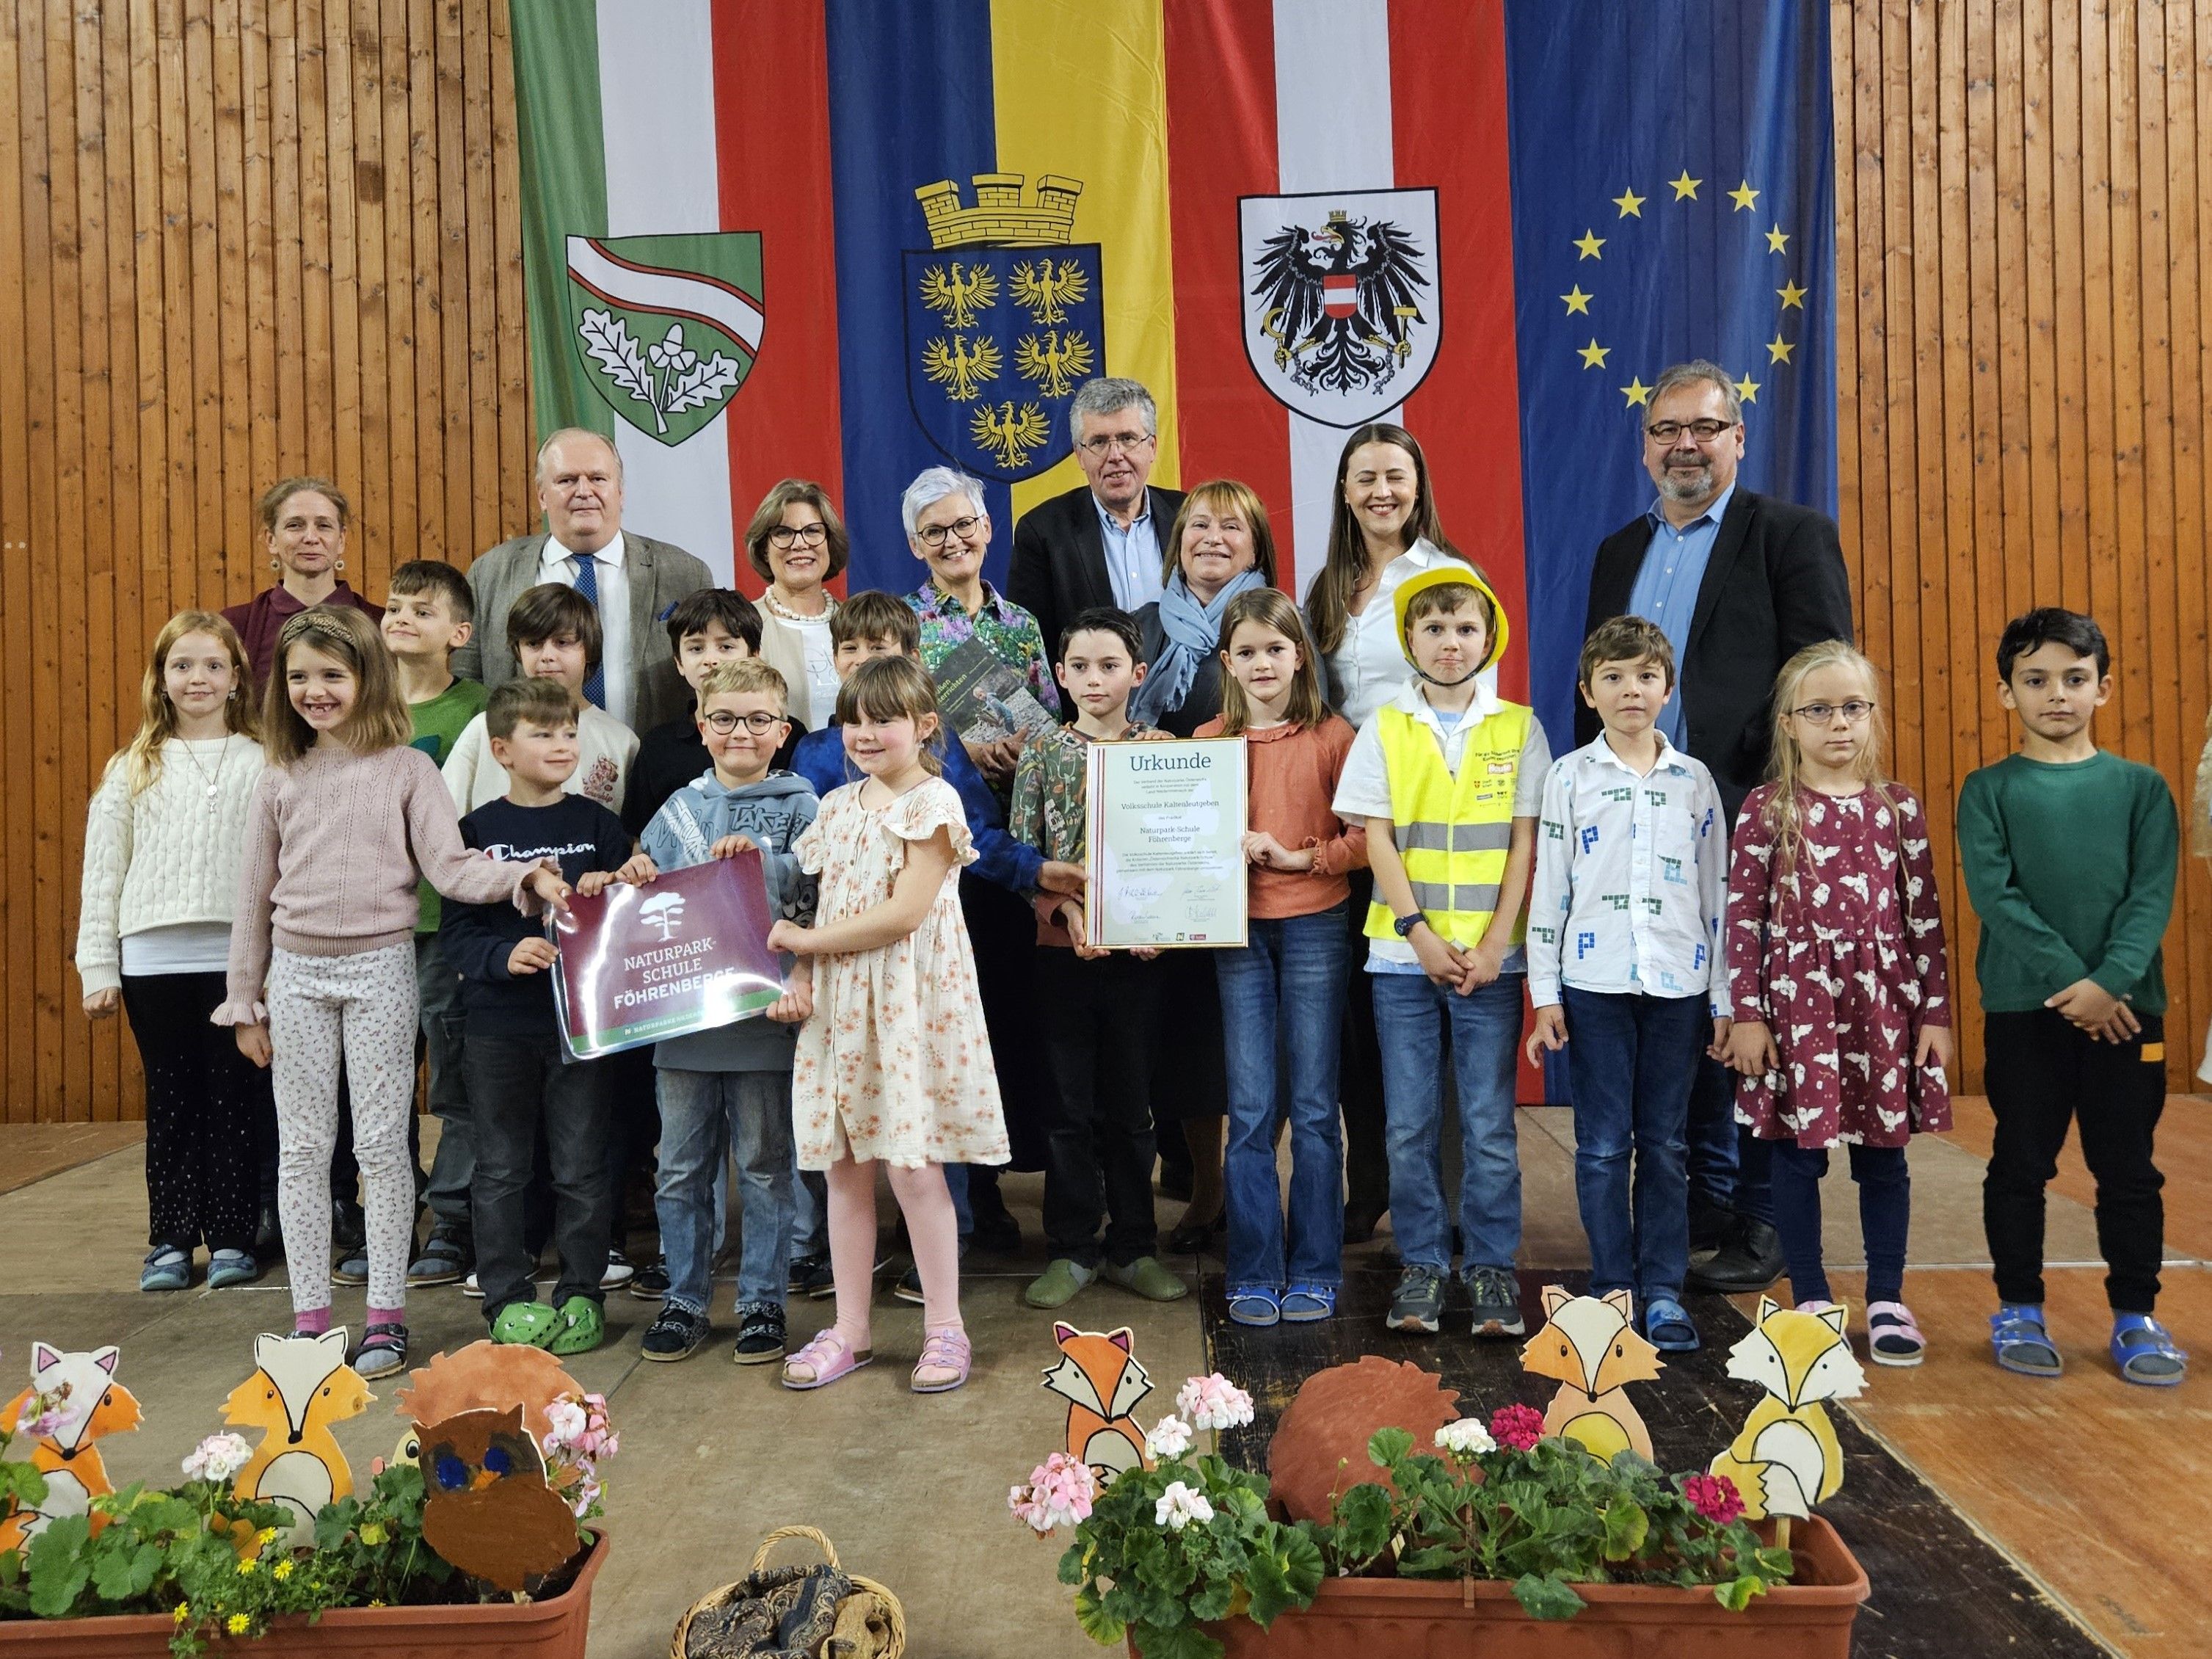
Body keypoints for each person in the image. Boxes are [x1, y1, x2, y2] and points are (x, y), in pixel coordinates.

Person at [217, 606, 569, 1381]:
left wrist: (522, 875)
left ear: (367, 677)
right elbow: (253, 896)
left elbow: (451, 868)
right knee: (303, 1149)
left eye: (332, 675)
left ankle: (384, 1315)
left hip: (379, 969)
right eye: (300, 676)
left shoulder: (409, 769)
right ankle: (309, 1321)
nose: (315, 690)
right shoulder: (278, 773)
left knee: (380, 1143)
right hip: (297, 978)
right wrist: (245, 1000)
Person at [1581, 360, 1857, 1295]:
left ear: (1736, 438)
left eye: (1704, 427)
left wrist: (1777, 782)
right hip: (1644, 828)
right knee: (1685, 1013)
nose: (1684, 445)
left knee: (1762, 1015)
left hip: (1752, 816)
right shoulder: (1620, 549)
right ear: (1645, 442)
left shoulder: (1788, 535)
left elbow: (1821, 674)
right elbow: (1599, 681)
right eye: (1665, 430)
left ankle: (1762, 1216)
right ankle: (1702, 1197)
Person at [790, 592, 1081, 1290]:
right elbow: (798, 860)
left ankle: (950, 1254)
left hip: (912, 968)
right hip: (839, 977)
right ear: (835, 665)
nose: (867, 664)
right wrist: (792, 953)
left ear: (916, 667)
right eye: (852, 652)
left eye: (884, 650)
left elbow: (976, 839)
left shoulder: (941, 773)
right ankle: (838, 1281)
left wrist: (1036, 871)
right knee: (848, 1142)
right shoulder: (819, 761)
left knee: (922, 1125)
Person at [1960, 608, 2186, 1386]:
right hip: (2026, 1010)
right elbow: (1995, 895)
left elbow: (2150, 897)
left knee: (2126, 1167)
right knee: (2020, 1160)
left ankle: (2134, 1314)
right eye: (2035, 679)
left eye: (2072, 678)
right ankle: (2018, 1306)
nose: (2054, 693)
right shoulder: (1987, 790)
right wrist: (2073, 984)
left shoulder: (2141, 789)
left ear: (2102, 688)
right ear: (2004, 693)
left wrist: (2108, 983)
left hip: (2126, 1010)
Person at [773, 656, 1006, 1395]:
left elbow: (905, 912)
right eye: (854, 719)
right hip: (842, 1008)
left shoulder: (932, 803)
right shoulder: (836, 805)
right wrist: (801, 973)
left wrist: (805, 944)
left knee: (912, 1165)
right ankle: (851, 1329)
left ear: (925, 724)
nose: (867, 733)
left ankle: (945, 1326)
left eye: (885, 718)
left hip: (906, 1006)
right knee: (845, 1168)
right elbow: (816, 904)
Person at [1722, 641, 1953, 1366]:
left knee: (1883, 1157)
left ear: (1871, 716)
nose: (1838, 724)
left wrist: (1935, 1015)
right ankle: (1812, 1295)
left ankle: (1886, 1295)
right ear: (1788, 724)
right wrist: (1747, 1013)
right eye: (1818, 709)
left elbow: (1924, 919)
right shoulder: (1767, 808)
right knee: (1797, 1155)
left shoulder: (1897, 808)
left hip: (1881, 1007)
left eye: (1852, 707)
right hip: (1798, 1009)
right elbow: (1742, 917)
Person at [1333, 565, 1549, 1338]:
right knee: (1407, 1123)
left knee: (1488, 1122)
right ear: (1409, 641)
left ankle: (1490, 1267)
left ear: (1486, 638)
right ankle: (1422, 1261)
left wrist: (1496, 943)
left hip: (1491, 966)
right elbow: (1376, 839)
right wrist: (1418, 932)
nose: (1450, 642)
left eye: (1464, 628)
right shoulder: (1383, 727)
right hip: (1403, 961)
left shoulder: (1519, 727)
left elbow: (1525, 842)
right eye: (1433, 629)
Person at [1524, 617, 1731, 1354]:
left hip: (1677, 986)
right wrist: (1544, 993)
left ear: (1666, 689)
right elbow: (1548, 888)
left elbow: (1717, 893)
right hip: (1594, 982)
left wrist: (1722, 999)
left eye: (1644, 676)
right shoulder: (1568, 777)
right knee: (1603, 1144)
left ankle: (1664, 1290)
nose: (1629, 689)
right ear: (1587, 691)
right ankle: (1611, 1285)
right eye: (1611, 677)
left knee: (1666, 1143)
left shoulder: (1693, 782)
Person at [1303, 424, 1480, 1245]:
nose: (1380, 490)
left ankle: (1441, 1200)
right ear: (1342, 490)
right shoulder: (1328, 589)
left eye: (1394, 477)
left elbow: (1474, 709)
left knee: (1431, 1012)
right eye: (1363, 476)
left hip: (1428, 825)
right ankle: (1369, 1182)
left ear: (1418, 487)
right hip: (1347, 827)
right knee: (1361, 1020)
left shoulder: (1445, 576)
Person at [631, 658, 819, 1366]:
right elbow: (642, 898)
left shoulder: (807, 805)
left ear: (783, 730)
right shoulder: (676, 807)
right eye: (726, 719)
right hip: (682, 1023)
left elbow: (819, 894)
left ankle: (763, 1302)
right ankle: (684, 1297)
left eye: (759, 719)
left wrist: (760, 861)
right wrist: (635, 875)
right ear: (702, 728)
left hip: (765, 1018)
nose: (742, 731)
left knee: (768, 1165)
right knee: (680, 1167)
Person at [76, 611, 271, 1293]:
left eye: (213, 666)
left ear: (236, 678)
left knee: (236, 1099)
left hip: (234, 959)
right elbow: (103, 871)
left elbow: (274, 868)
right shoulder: (133, 766)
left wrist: (268, 963)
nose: (198, 678)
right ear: (160, 679)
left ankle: (231, 1240)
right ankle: (169, 1238)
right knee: (173, 1099)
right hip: (153, 961)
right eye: (182, 665)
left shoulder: (260, 760)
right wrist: (98, 967)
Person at [439, 678, 633, 1355]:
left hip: (582, 1024)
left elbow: (634, 912)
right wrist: (502, 953)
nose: (562, 745)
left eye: (570, 734)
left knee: (581, 1165)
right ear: (501, 749)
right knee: (499, 1169)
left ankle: (583, 1291)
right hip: (497, 1027)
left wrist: (617, 881)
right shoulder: (475, 832)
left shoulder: (597, 826)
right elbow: (456, 934)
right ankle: (506, 1297)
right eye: (543, 734)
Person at [1007, 609, 1186, 1311]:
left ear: (1137, 674)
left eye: (1109, 666)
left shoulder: (1163, 749)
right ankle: (1072, 1248)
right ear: (1059, 675)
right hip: (1064, 956)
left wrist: (1165, 922)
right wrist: (1065, 911)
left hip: (1142, 959)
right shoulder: (1045, 752)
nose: (1094, 678)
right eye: (1079, 666)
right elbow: (1023, 859)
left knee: (1133, 1108)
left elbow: (1184, 854)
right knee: (1067, 1108)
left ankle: (1135, 1246)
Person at [1196, 589, 1364, 1326]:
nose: (1261, 662)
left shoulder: (1332, 736)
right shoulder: (1206, 740)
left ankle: (1317, 1265)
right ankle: (1255, 1265)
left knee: (1314, 1107)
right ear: (1225, 661)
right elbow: (1178, 840)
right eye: (1246, 650)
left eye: (1275, 648)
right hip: (1235, 935)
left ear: (1300, 656)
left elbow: (1365, 841)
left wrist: (1298, 859)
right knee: (1252, 1105)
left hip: (1314, 930)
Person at [380, 559, 490, 1290]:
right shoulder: (354, 707)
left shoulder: (481, 711)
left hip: (444, 922)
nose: (400, 617)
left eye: (421, 609)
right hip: (370, 926)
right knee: (381, 1083)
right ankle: (387, 1218)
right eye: (392, 606)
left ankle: (452, 1221)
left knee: (453, 1076)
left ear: (458, 632)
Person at [454, 428, 713, 735]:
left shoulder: (684, 574)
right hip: (526, 772)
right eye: (566, 480)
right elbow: (465, 682)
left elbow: (711, 685)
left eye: (598, 479)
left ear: (620, 492)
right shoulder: (490, 573)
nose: (584, 491)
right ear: (542, 496)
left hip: (650, 768)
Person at [1008, 377, 1187, 675]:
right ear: (1080, 455)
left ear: (1152, 447)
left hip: (1188, 710)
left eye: (1128, 438)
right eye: (1099, 442)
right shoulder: (1042, 533)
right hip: (1090, 715)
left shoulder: (1189, 516)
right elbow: (1033, 651)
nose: (1115, 455)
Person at [901, 465, 1059, 788]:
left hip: (1021, 802)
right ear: (916, 546)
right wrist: (963, 754)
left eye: (964, 524)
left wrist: (1023, 754)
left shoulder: (1022, 624)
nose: (953, 540)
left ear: (986, 527)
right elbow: (883, 726)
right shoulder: (898, 623)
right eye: (934, 532)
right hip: (935, 802)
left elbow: (1051, 721)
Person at [443, 584, 639, 816]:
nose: (547, 656)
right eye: (533, 644)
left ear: (589, 648)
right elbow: (444, 821)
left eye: (562, 643)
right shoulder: (485, 728)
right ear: (518, 650)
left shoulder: (620, 741)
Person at [624, 588, 802, 839]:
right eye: (696, 648)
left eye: (726, 646)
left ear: (754, 655)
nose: (711, 659)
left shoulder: (785, 733)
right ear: (679, 662)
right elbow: (639, 839)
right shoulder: (658, 746)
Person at [222, 478, 384, 686]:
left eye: (323, 526)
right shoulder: (235, 626)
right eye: (295, 525)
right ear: (271, 540)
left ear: (341, 540)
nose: (311, 538)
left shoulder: (380, 624)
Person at [746, 479, 847, 732]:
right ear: (764, 549)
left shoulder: (861, 624)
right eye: (783, 532)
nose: (800, 544)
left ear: (830, 543)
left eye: (813, 531)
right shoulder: (742, 628)